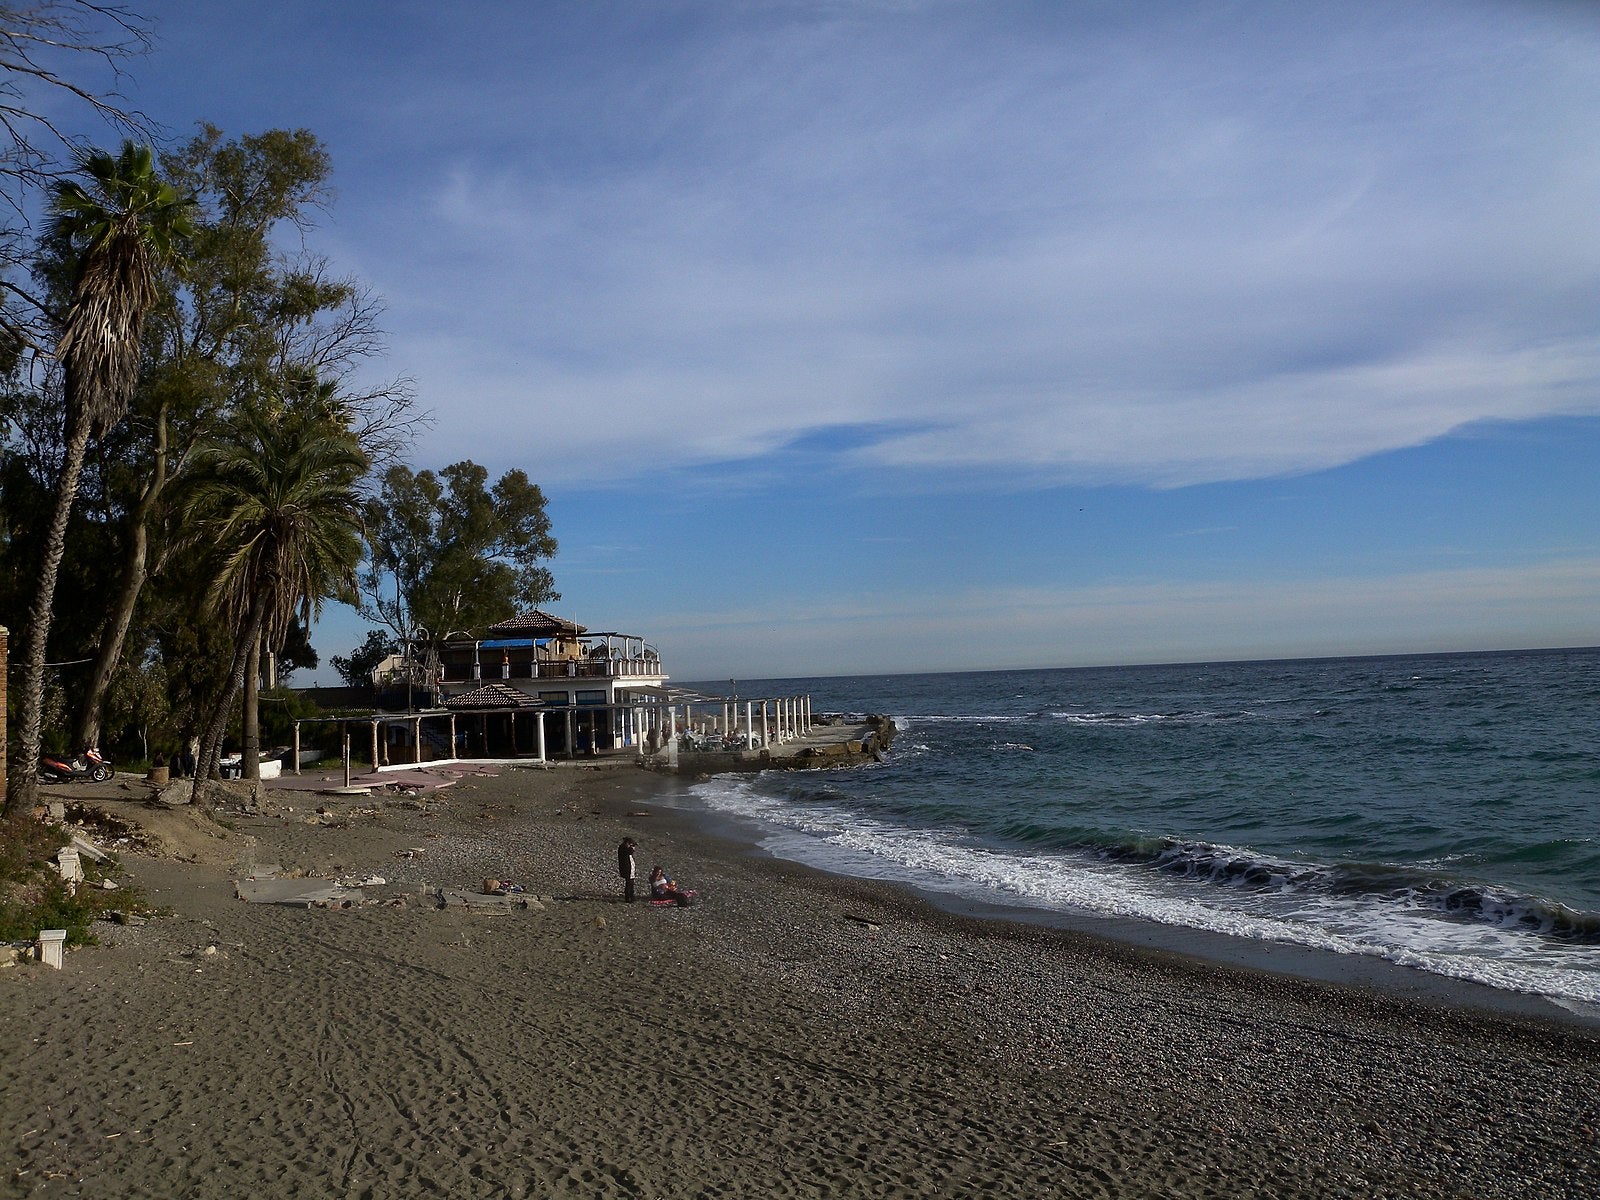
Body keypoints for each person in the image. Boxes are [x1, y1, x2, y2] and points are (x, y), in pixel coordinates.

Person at [617, 838, 637, 903]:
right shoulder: (623, 848)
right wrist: (631, 848)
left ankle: (631, 897)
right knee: (629, 884)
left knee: (631, 883)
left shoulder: (623, 848)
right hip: (627, 869)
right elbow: (629, 852)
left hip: (630, 868)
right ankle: (628, 898)